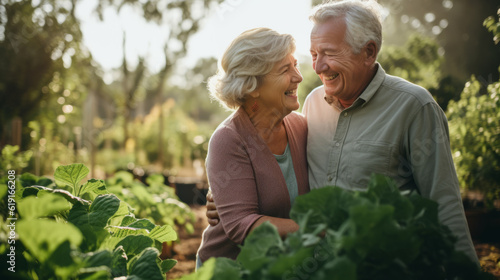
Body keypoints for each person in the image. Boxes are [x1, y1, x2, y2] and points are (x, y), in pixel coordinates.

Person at [206, 0, 479, 264]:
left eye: (329, 53)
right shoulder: (312, 107)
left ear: (369, 52)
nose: (316, 68)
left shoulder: (414, 107)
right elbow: (247, 202)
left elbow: (445, 205)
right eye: (313, 55)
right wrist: (226, 195)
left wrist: (467, 273)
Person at [196, 27, 309, 268]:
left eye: (296, 65)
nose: (298, 76)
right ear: (253, 86)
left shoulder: (301, 127)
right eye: (285, 70)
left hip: (281, 268)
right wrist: (316, 230)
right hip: (231, 269)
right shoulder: (229, 139)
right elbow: (240, 226)